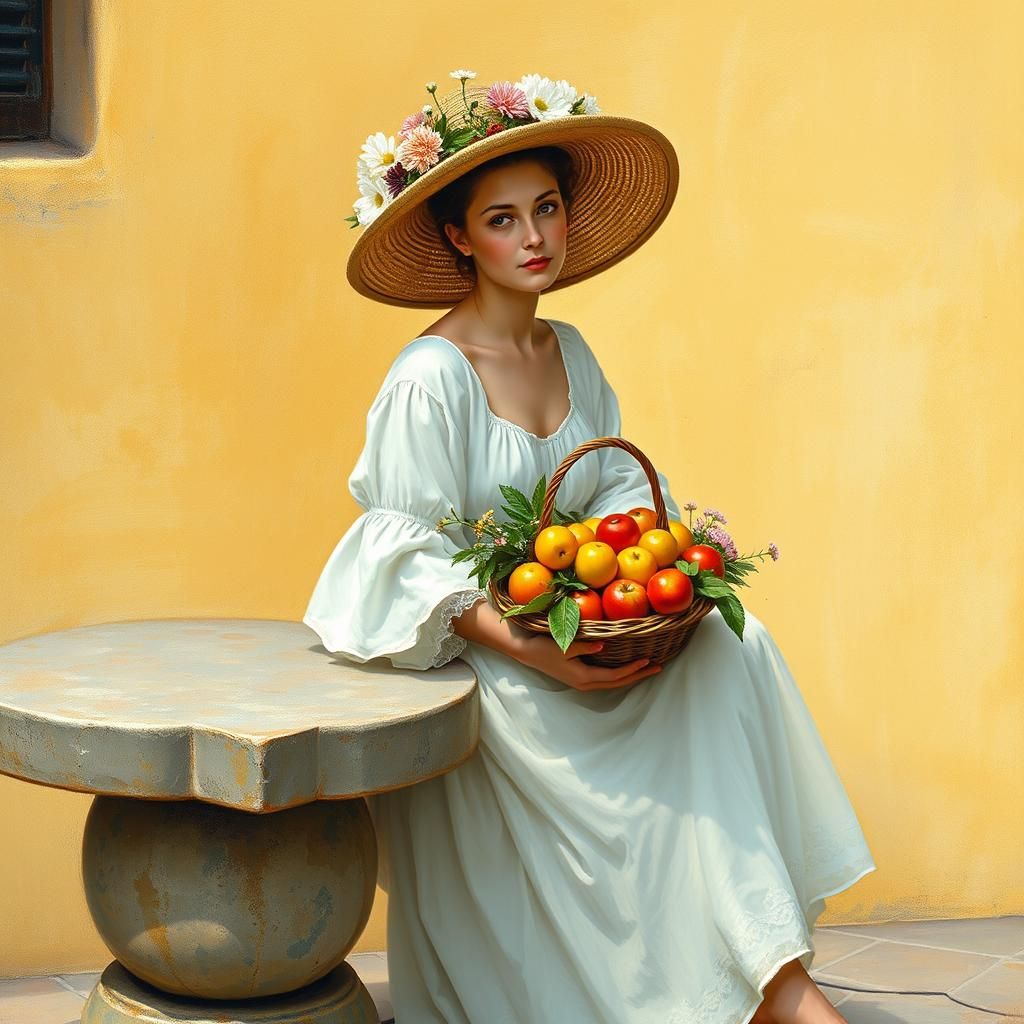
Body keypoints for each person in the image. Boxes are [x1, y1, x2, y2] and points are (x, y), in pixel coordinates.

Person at [304, 71, 876, 1024]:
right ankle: (777, 993)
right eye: (501, 219)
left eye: (547, 209)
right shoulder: (427, 380)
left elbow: (616, 505)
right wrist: (535, 648)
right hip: (491, 658)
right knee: (673, 707)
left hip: (584, 636)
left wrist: (649, 599)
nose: (533, 238)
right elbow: (400, 557)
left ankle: (768, 971)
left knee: (730, 648)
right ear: (458, 237)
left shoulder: (571, 350)